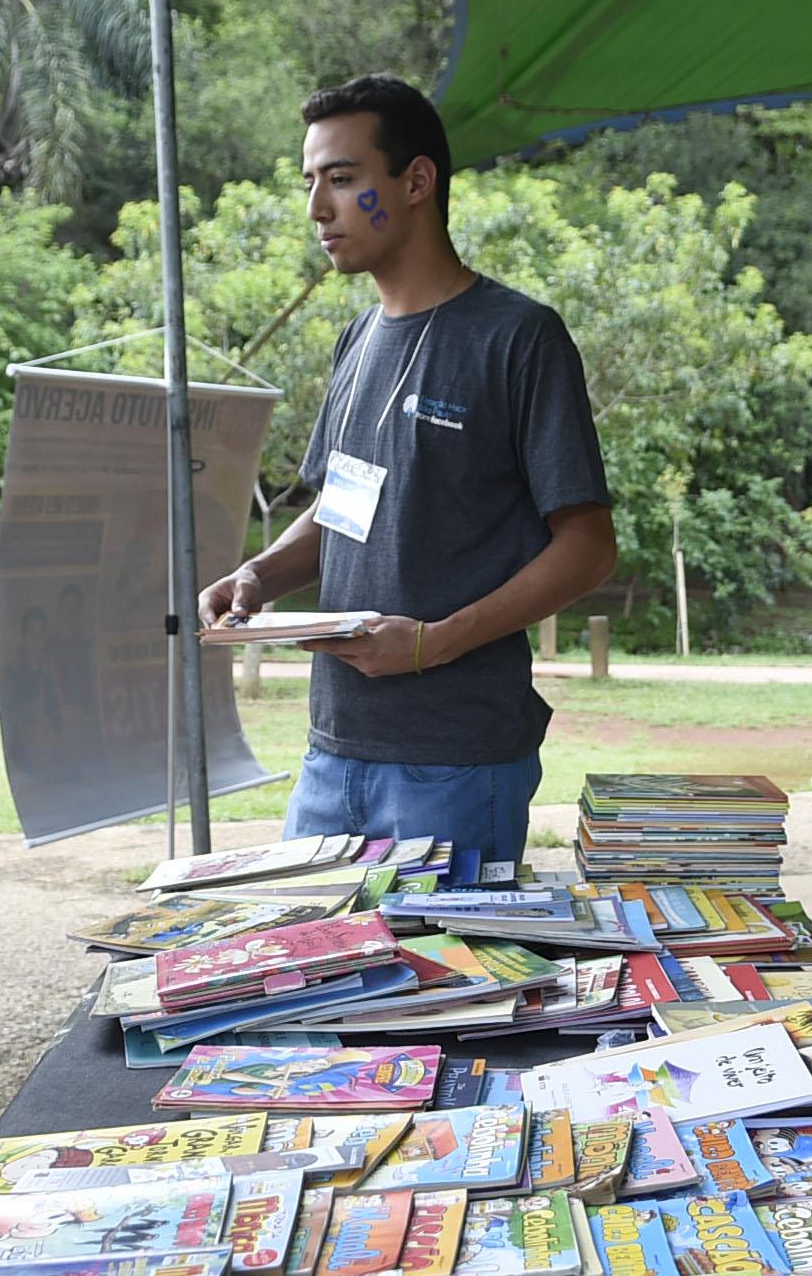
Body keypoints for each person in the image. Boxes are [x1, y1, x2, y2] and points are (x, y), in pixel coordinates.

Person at [197, 74, 616, 864]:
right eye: (310, 182)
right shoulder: (358, 340)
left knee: (445, 953)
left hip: (456, 762)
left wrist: (432, 644)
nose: (317, 208)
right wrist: (257, 575)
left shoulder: (518, 337)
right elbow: (344, 509)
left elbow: (589, 548)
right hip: (331, 753)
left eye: (342, 179)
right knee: (307, 946)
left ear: (416, 181)